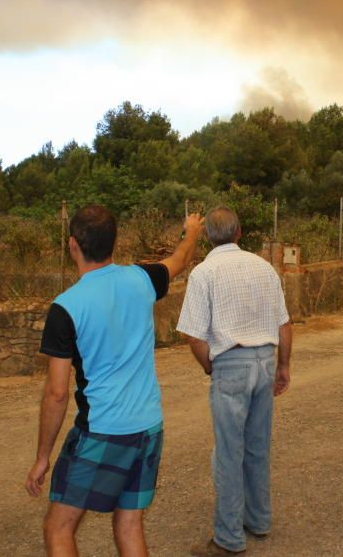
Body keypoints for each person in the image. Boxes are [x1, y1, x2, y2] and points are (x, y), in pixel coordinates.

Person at [25, 205, 203, 556]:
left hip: (102, 429)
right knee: (130, 522)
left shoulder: (66, 308)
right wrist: (192, 230)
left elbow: (57, 393)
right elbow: (180, 259)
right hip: (148, 427)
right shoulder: (142, 279)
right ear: (113, 242)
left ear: (73, 245)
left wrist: (43, 456)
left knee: (58, 527)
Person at [177, 206, 293, 556]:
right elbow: (284, 324)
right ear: (239, 232)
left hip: (231, 363)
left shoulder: (204, 272)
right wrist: (283, 367)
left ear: (210, 236)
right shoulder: (264, 268)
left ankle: (228, 539)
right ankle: (258, 520)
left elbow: (195, 337)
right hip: (264, 361)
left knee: (229, 453)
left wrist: (212, 368)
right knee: (257, 446)